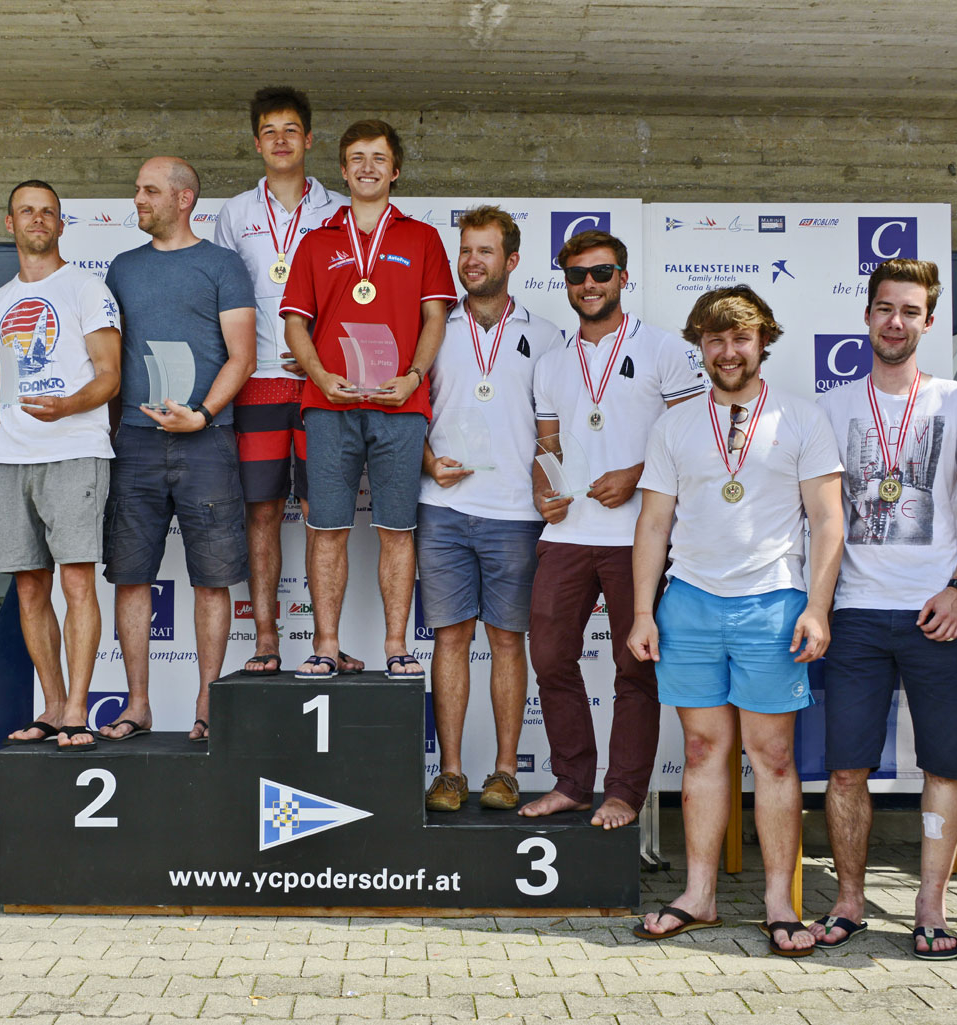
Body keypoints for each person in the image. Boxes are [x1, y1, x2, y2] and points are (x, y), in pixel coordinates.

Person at [627, 284, 842, 956]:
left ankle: (780, 902)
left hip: (772, 603)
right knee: (700, 752)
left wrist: (817, 606)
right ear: (700, 346)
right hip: (689, 601)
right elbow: (653, 522)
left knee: (772, 757)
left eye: (740, 338)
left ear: (763, 342)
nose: (727, 351)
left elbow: (828, 520)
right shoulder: (674, 425)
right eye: (714, 339)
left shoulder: (802, 417)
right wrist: (642, 611)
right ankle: (699, 895)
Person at [809, 258, 957, 958]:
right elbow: (819, 516)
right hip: (855, 610)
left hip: (936, 611)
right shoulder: (832, 407)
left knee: (945, 766)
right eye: (885, 308)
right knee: (845, 768)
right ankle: (849, 900)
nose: (895, 322)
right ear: (867, 316)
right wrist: (820, 604)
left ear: (928, 321)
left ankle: (931, 905)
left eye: (910, 311)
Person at [522, 229, 705, 829]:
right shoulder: (552, 362)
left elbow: (694, 440)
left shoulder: (664, 349)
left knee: (635, 669)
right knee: (550, 658)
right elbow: (547, 448)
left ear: (623, 278)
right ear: (566, 284)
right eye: (577, 275)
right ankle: (572, 784)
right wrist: (543, 489)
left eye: (601, 273)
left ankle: (624, 793)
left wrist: (635, 475)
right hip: (567, 536)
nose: (589, 284)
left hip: (639, 537)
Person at [280, 119, 457, 681]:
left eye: (378, 158)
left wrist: (413, 377)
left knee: (397, 529)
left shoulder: (422, 239)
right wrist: (319, 375)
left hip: (399, 405)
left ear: (395, 170)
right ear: (342, 169)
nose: (367, 167)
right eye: (357, 157)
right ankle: (326, 645)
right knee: (326, 528)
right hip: (329, 405)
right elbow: (295, 324)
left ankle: (396, 645)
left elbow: (435, 318)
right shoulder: (316, 241)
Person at [99, 157, 255, 742]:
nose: (138, 198)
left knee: (212, 579)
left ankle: (208, 705)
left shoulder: (222, 264)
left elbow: (242, 356)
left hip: (207, 440)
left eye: (149, 190)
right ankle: (137, 705)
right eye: (137, 189)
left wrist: (203, 414)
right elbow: (107, 358)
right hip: (136, 443)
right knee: (130, 576)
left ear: (184, 198)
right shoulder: (122, 268)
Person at [418, 205, 564, 812]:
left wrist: (550, 487)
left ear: (512, 260)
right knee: (450, 639)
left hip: (515, 514)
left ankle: (505, 772)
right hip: (442, 507)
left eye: (485, 251)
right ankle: (450, 773)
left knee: (508, 641)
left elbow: (554, 430)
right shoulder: (431, 326)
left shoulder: (547, 335)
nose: (471, 261)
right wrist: (428, 462)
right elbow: (408, 409)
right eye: (465, 250)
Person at [0, 180, 122, 748]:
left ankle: (78, 709)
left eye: (48, 212)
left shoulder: (86, 287)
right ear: (10, 223)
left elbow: (110, 375)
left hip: (74, 450)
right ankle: (53, 707)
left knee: (77, 582)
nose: (38, 219)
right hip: (12, 459)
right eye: (27, 211)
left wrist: (67, 407)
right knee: (31, 589)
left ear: (60, 224)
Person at [214, 86, 362, 678]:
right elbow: (220, 301)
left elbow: (358, 296)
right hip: (257, 384)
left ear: (309, 140)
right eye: (270, 131)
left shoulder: (339, 210)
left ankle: (328, 641)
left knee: (324, 514)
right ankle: (266, 640)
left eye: (291, 130)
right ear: (257, 143)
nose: (281, 140)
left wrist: (325, 358)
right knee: (262, 514)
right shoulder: (234, 214)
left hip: (323, 384)